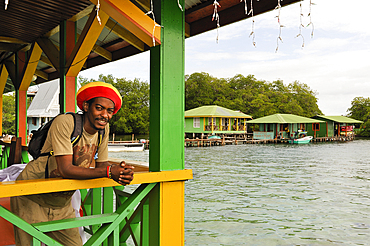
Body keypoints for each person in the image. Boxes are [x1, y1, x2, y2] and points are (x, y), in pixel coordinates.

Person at [10, 82, 134, 246]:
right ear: (86, 106)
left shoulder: (103, 130)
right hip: (31, 197)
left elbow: (102, 167)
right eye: (99, 108)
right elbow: (65, 169)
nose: (105, 115)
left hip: (61, 203)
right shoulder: (66, 122)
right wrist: (110, 172)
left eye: (110, 111)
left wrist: (122, 172)